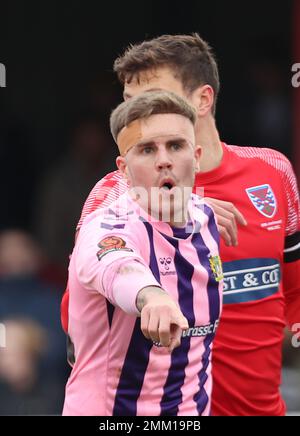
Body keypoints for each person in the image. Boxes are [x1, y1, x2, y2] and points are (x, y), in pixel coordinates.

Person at [61, 34, 300, 415]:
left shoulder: (272, 172)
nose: (139, 117)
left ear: (203, 100)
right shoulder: (113, 194)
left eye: (153, 98)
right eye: (129, 104)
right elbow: (81, 319)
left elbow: (294, 292)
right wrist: (151, 293)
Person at [63, 91, 223, 416]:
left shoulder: (207, 219)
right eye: (147, 149)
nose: (163, 159)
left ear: (196, 156)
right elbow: (116, 263)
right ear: (123, 168)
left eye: (175, 146)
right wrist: (152, 297)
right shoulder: (108, 225)